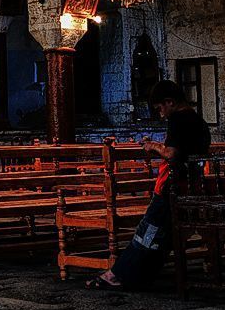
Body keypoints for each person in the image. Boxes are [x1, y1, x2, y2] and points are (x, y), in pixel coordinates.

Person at [89, 79, 210, 290]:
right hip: (192, 185)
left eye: (160, 108)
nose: (161, 114)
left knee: (147, 233)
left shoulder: (178, 119)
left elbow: (172, 153)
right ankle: (142, 277)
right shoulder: (199, 121)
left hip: (171, 186)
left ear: (170, 102)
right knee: (163, 238)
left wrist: (152, 146)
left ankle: (117, 275)